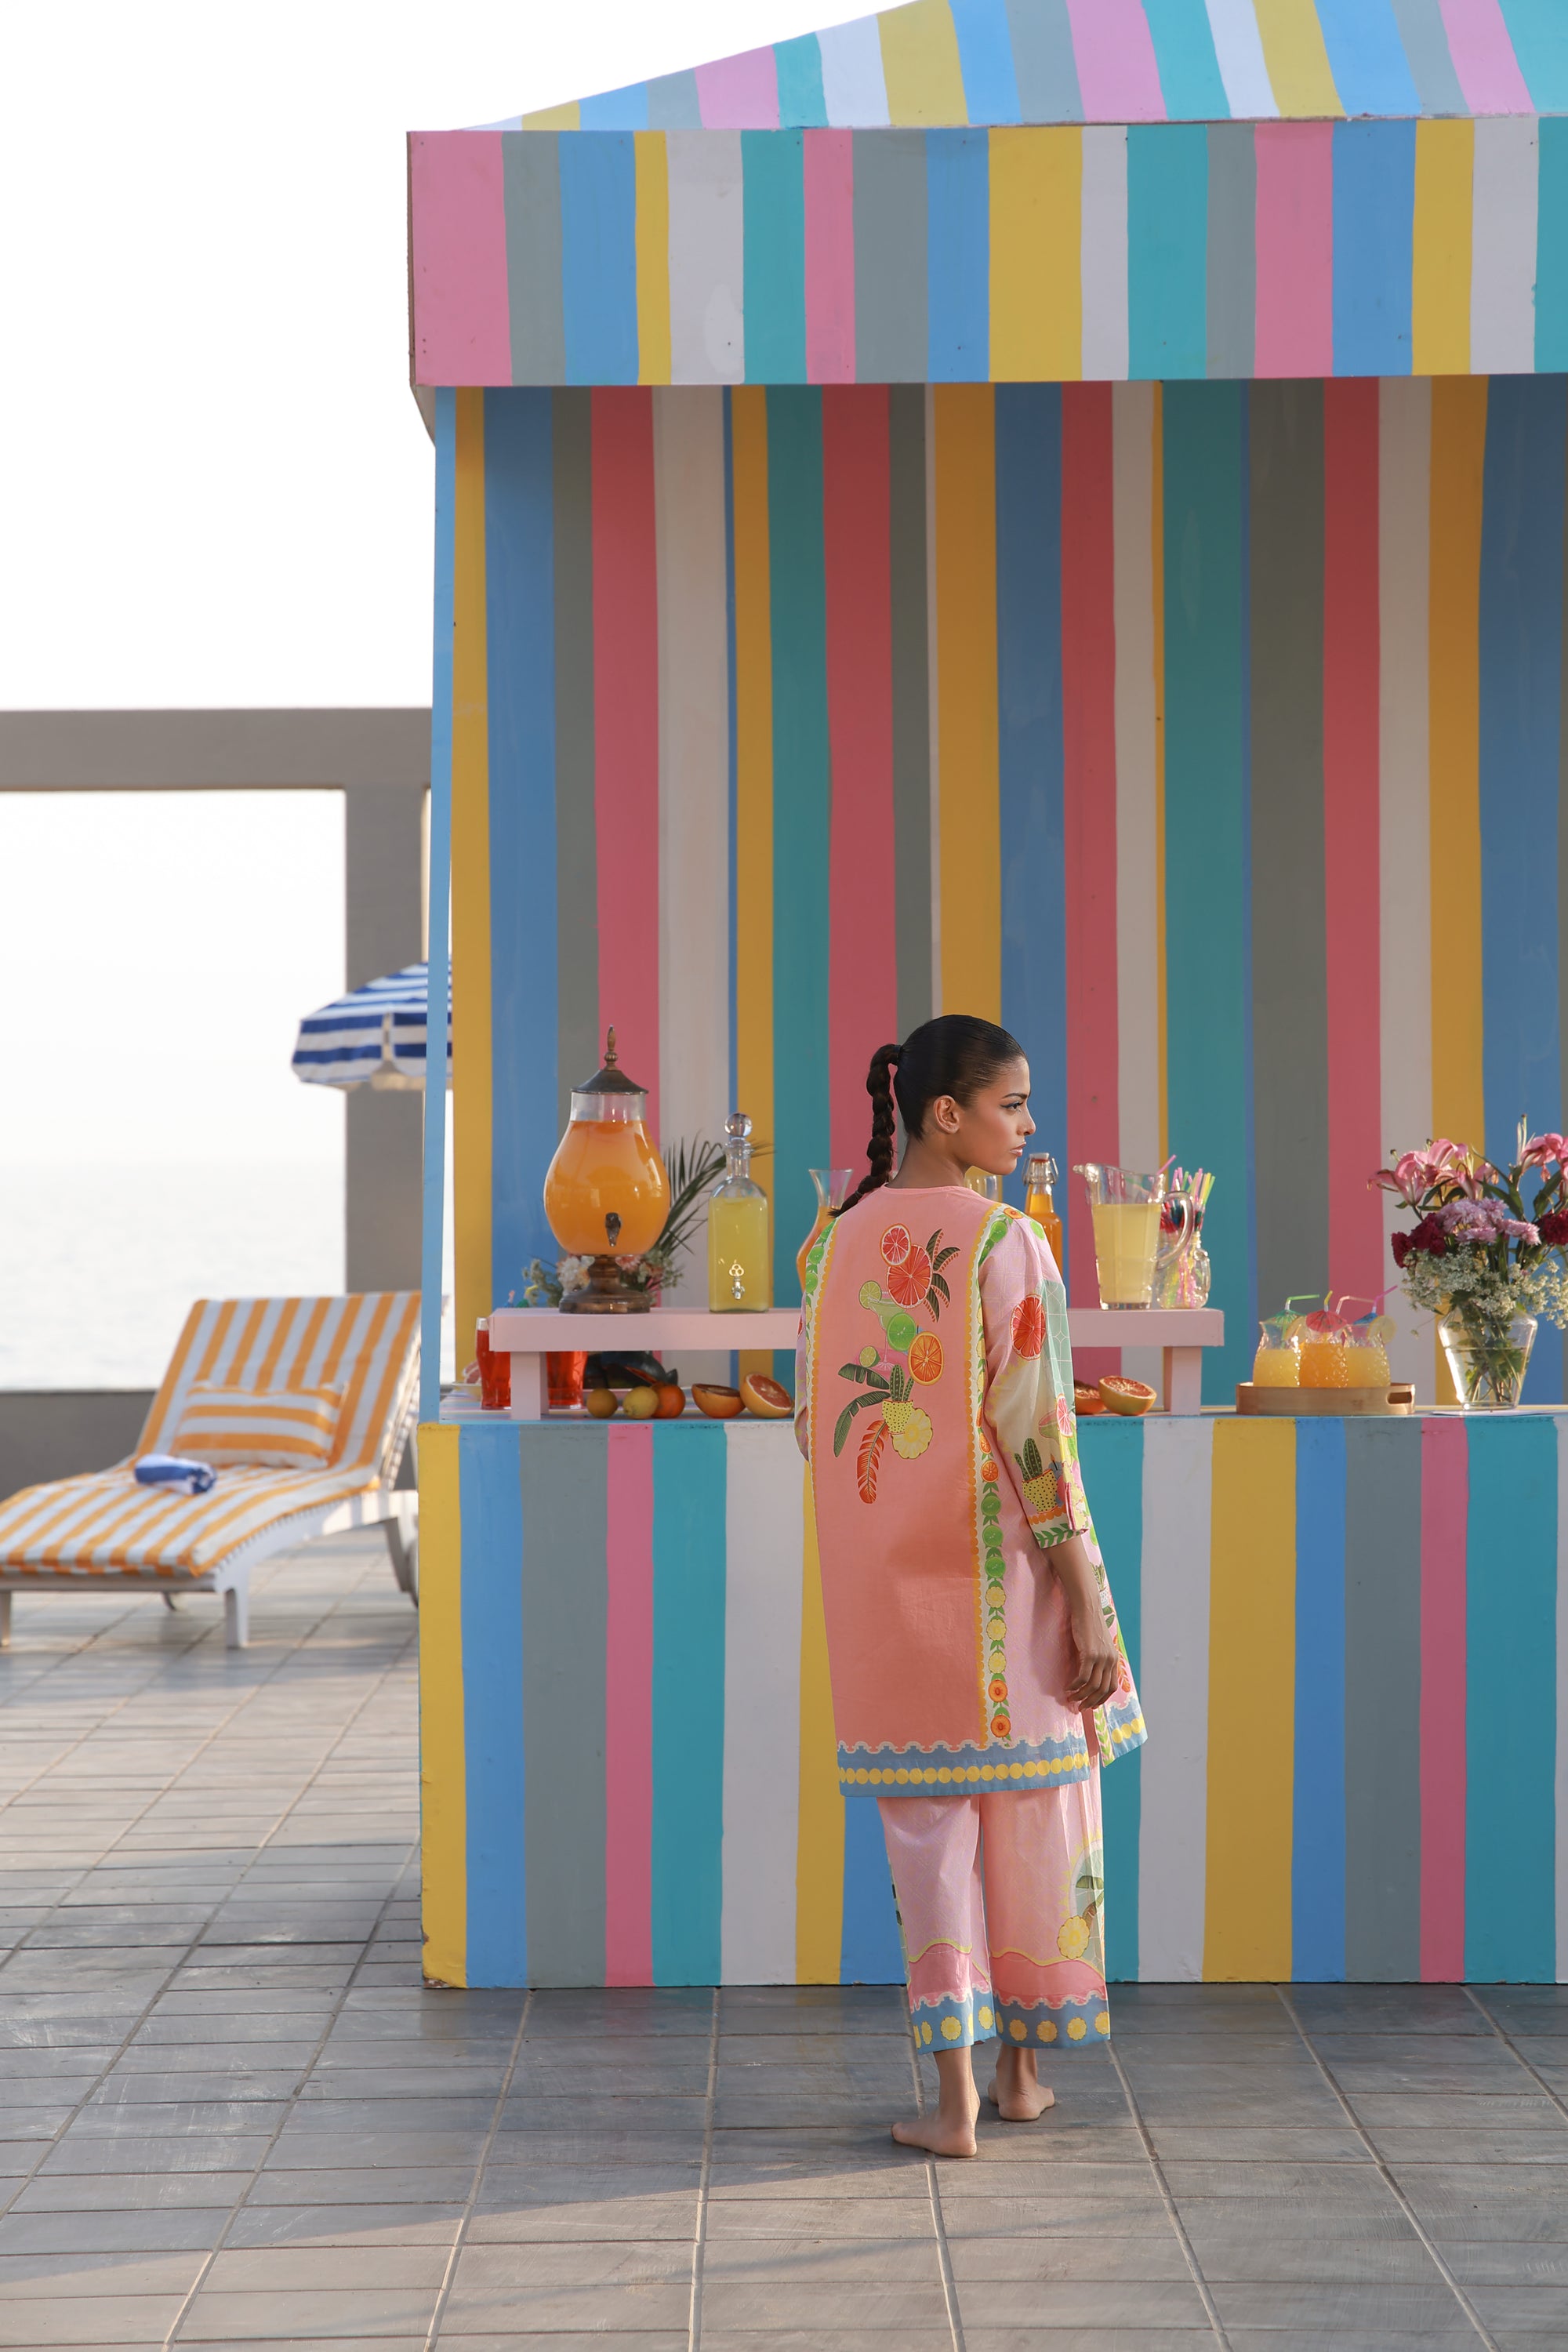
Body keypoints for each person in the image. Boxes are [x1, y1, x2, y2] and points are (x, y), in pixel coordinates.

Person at [795, 1014, 1145, 2158]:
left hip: (883, 1609)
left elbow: (811, 1427)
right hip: (1005, 1585)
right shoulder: (1007, 1239)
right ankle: (1021, 2078)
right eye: (1014, 1105)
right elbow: (1039, 1436)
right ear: (947, 1114)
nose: (1031, 1125)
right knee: (1037, 1811)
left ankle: (954, 2106)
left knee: (928, 1836)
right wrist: (1083, 1592)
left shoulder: (829, 1248)